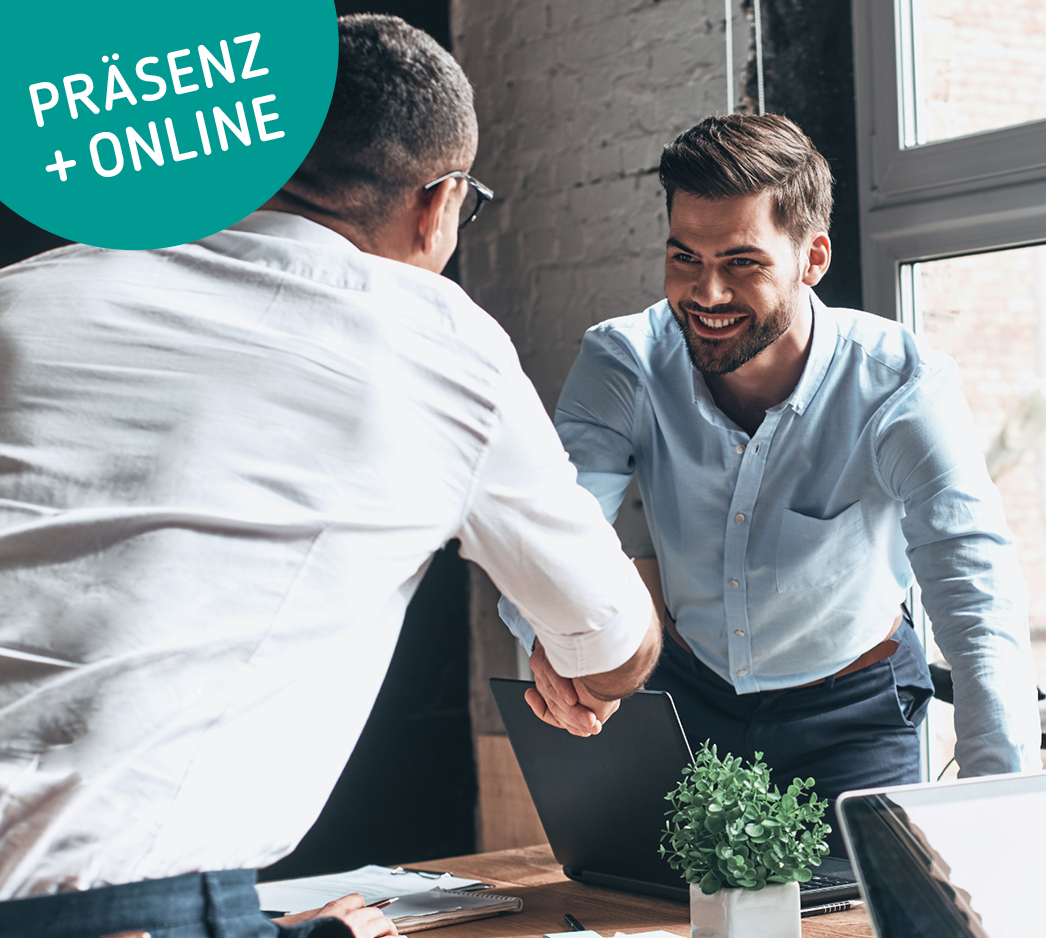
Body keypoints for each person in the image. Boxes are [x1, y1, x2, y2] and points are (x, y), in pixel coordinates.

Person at [0, 15, 659, 938]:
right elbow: (612, 646)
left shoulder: (26, 296)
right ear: (440, 204)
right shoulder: (435, 337)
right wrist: (578, 647)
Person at [501, 114, 1040, 815]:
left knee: (859, 918)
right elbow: (549, 528)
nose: (706, 294)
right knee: (654, 914)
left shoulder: (900, 384)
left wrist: (1002, 797)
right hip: (686, 697)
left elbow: (974, 587)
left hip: (852, 713)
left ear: (811, 259)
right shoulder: (625, 360)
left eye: (741, 263)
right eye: (684, 258)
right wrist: (551, 637)